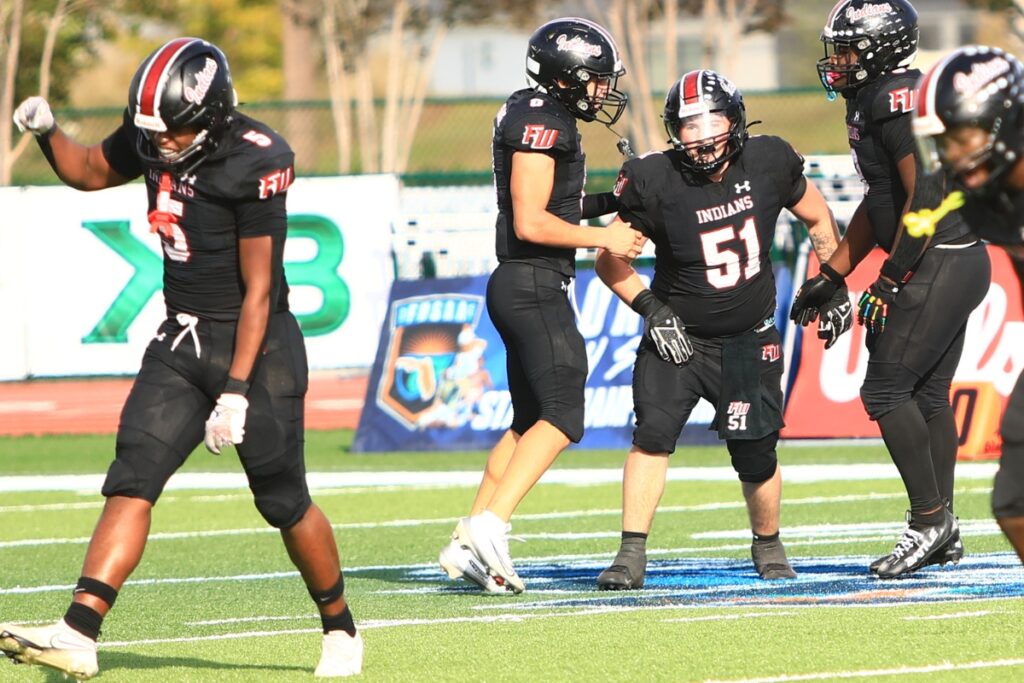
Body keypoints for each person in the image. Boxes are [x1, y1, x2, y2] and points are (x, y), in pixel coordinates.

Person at [0, 38, 361, 678]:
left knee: (283, 500)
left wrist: (237, 391)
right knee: (133, 473)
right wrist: (49, 130)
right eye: (156, 134)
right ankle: (80, 629)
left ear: (214, 114)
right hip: (182, 339)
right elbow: (88, 170)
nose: (162, 145)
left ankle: (339, 626)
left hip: (259, 344)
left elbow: (258, 293)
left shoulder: (256, 159)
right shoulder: (154, 135)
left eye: (175, 132)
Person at [594, 69, 848, 590]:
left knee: (756, 453)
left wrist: (835, 283)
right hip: (678, 337)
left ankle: (768, 544)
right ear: (672, 130)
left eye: (712, 121)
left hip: (748, 339)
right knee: (652, 437)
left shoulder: (771, 159)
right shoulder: (653, 178)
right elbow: (608, 260)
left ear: (736, 120)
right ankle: (630, 553)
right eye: (689, 125)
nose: (703, 135)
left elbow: (820, 220)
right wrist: (651, 308)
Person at [437, 16, 644, 594]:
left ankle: (467, 539)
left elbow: (556, 203)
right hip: (531, 283)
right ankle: (489, 524)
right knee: (562, 414)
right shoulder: (541, 119)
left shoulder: (534, 110)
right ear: (567, 76)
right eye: (596, 79)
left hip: (524, 283)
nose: (603, 90)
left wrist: (613, 201)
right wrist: (605, 238)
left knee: (529, 421)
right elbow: (531, 221)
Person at [790, 0, 991, 579]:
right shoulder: (875, 97)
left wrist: (891, 276)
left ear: (881, 47)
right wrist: (832, 275)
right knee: (926, 395)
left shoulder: (896, 96)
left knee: (884, 390)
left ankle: (929, 520)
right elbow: (881, 205)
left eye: (849, 49)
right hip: (948, 257)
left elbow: (923, 194)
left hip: (939, 258)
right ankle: (944, 528)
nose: (840, 62)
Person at [912, 45, 1024, 564]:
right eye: (944, 143)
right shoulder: (986, 200)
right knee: (1014, 504)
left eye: (962, 138)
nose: (953, 155)